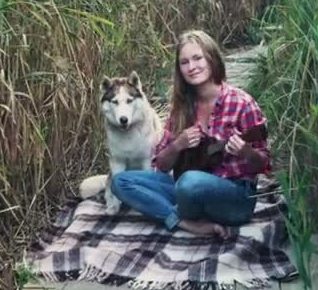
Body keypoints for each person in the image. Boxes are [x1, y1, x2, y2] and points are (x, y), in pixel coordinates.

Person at [111, 30, 271, 238]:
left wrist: (246, 152)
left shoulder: (242, 103)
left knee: (189, 182)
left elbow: (264, 163)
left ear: (211, 59)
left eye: (197, 58)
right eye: (184, 62)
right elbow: (161, 165)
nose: (192, 67)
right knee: (121, 182)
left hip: (234, 197)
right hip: (186, 189)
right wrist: (178, 145)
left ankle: (172, 210)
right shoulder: (181, 108)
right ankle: (184, 222)